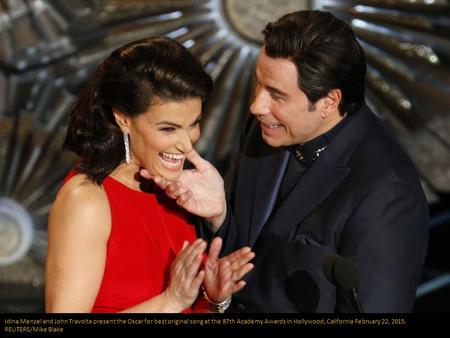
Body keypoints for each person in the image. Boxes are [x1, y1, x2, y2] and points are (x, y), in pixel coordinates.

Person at [144, 11, 429, 312]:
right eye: (259, 84)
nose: (257, 106)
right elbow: (245, 257)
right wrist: (219, 216)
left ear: (328, 102)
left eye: (277, 95)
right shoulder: (267, 129)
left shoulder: (387, 194)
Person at [45, 37, 255, 313]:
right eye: (168, 129)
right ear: (123, 118)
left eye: (194, 124)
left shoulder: (172, 188)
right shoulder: (87, 200)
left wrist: (213, 300)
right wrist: (170, 301)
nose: (186, 143)